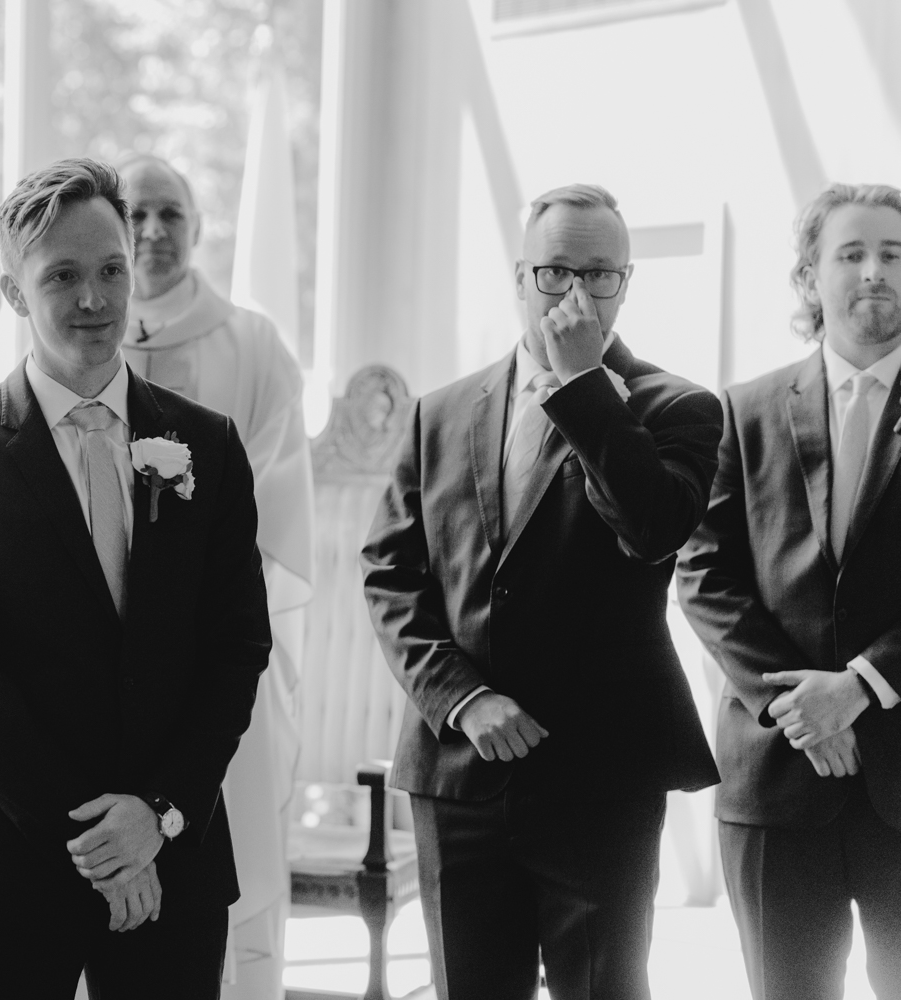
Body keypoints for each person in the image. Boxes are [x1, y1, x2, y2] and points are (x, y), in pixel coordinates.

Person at [0, 157, 272, 999]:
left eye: (112, 270)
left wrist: (159, 815)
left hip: (172, 859)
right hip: (9, 862)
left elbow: (236, 647)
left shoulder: (207, 446)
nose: (95, 300)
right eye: (62, 276)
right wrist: (103, 847)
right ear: (13, 292)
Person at [361, 183, 722, 1000]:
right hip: (459, 770)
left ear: (626, 286)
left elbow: (652, 529)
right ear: (520, 276)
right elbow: (390, 573)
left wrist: (583, 386)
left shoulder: (681, 407)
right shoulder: (440, 413)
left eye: (600, 276)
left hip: (601, 777)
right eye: (556, 270)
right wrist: (461, 698)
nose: (575, 295)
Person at [677, 182, 901, 1000]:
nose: (874, 271)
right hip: (775, 780)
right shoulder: (742, 411)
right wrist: (796, 708)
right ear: (811, 277)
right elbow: (704, 573)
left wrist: (864, 685)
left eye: (893, 253)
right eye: (852, 253)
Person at [119, 153, 313, 1000]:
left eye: (171, 213)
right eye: (135, 215)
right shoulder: (78, 336)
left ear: (199, 228)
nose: (154, 232)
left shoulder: (252, 343)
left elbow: (272, 484)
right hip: (105, 655)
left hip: (218, 647)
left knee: (237, 855)